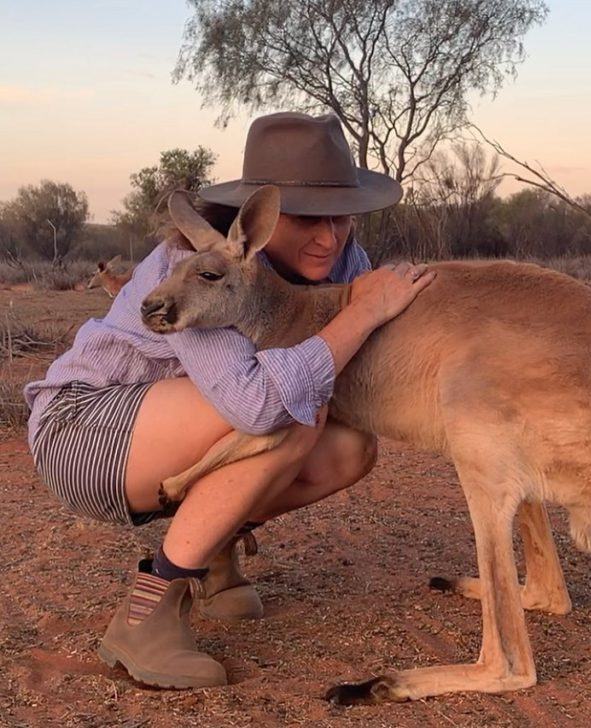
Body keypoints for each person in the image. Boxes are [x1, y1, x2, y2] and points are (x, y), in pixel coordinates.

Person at [24, 112, 436, 689]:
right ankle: (150, 609)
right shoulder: (201, 272)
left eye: (341, 216)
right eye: (305, 219)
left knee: (349, 448)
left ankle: (212, 551)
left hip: (179, 425)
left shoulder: (342, 259)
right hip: (86, 428)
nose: (329, 237)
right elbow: (257, 405)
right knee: (294, 410)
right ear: (262, 220)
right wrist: (365, 310)